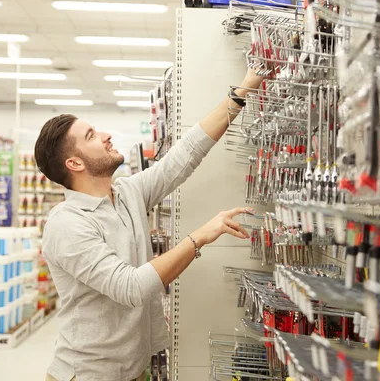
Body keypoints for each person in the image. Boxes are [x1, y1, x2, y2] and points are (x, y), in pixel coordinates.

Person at [35, 69, 263, 381]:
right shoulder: (66, 225)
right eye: (91, 136)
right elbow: (130, 287)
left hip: (131, 368)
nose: (105, 135)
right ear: (74, 164)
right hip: (88, 374)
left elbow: (186, 153)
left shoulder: (128, 193)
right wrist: (198, 238)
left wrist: (247, 86)